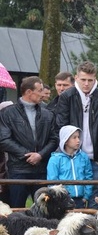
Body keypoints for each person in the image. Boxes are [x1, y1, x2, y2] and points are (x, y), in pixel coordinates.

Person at [55, 60, 98, 207]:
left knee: (96, 203)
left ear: (95, 79)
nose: (86, 84)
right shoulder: (67, 97)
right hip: (72, 158)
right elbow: (61, 127)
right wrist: (69, 153)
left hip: (97, 158)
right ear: (76, 78)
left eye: (90, 80)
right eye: (83, 80)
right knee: (73, 202)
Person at [0, 76, 59, 208]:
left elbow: (54, 138)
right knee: (16, 210)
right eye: (39, 90)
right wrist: (26, 154)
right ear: (28, 92)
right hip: (18, 170)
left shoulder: (48, 114)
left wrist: (40, 155)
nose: (43, 93)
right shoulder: (8, 113)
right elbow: (4, 140)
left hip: (41, 169)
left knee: (45, 210)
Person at [47, 125, 93, 208]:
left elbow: (88, 176)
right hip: (62, 200)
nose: (78, 140)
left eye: (78, 137)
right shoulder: (55, 159)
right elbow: (52, 181)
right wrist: (59, 197)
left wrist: (86, 196)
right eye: (74, 137)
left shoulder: (83, 157)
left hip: (80, 199)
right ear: (65, 140)